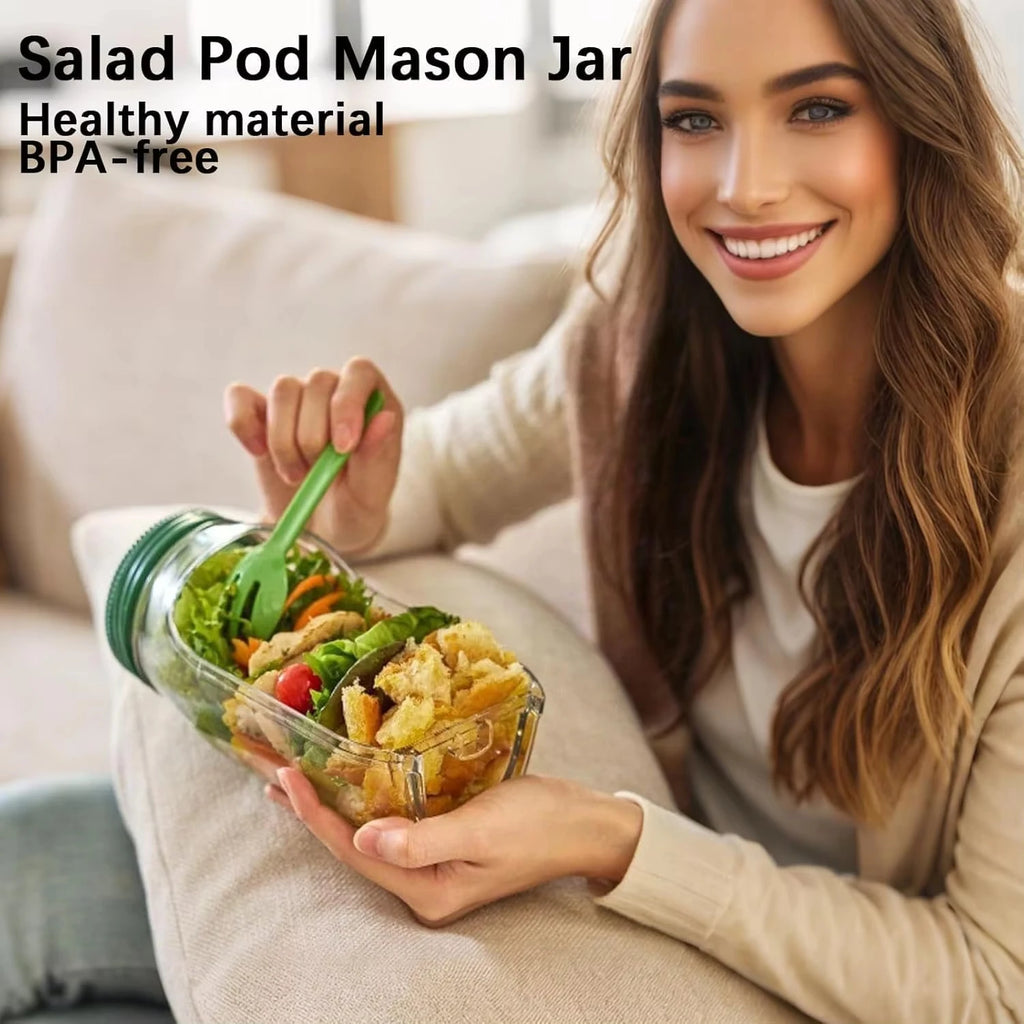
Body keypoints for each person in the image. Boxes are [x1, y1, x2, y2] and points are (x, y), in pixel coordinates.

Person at [2, 0, 1022, 1021]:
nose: (743, 187)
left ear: (917, 119)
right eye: (695, 119)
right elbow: (454, 471)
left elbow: (990, 982)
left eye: (815, 109)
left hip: (824, 974)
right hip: (635, 890)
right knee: (32, 859)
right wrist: (356, 496)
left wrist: (609, 837)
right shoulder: (652, 328)